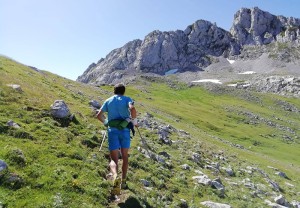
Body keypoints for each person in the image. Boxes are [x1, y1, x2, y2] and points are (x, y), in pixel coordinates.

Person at [97, 83, 137, 195]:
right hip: (124, 130)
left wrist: (106, 123)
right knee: (125, 156)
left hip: (112, 130)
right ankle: (123, 181)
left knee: (113, 159)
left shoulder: (108, 100)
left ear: (114, 91)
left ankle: (115, 176)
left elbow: (99, 115)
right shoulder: (127, 99)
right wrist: (133, 120)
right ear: (123, 91)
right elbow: (132, 109)